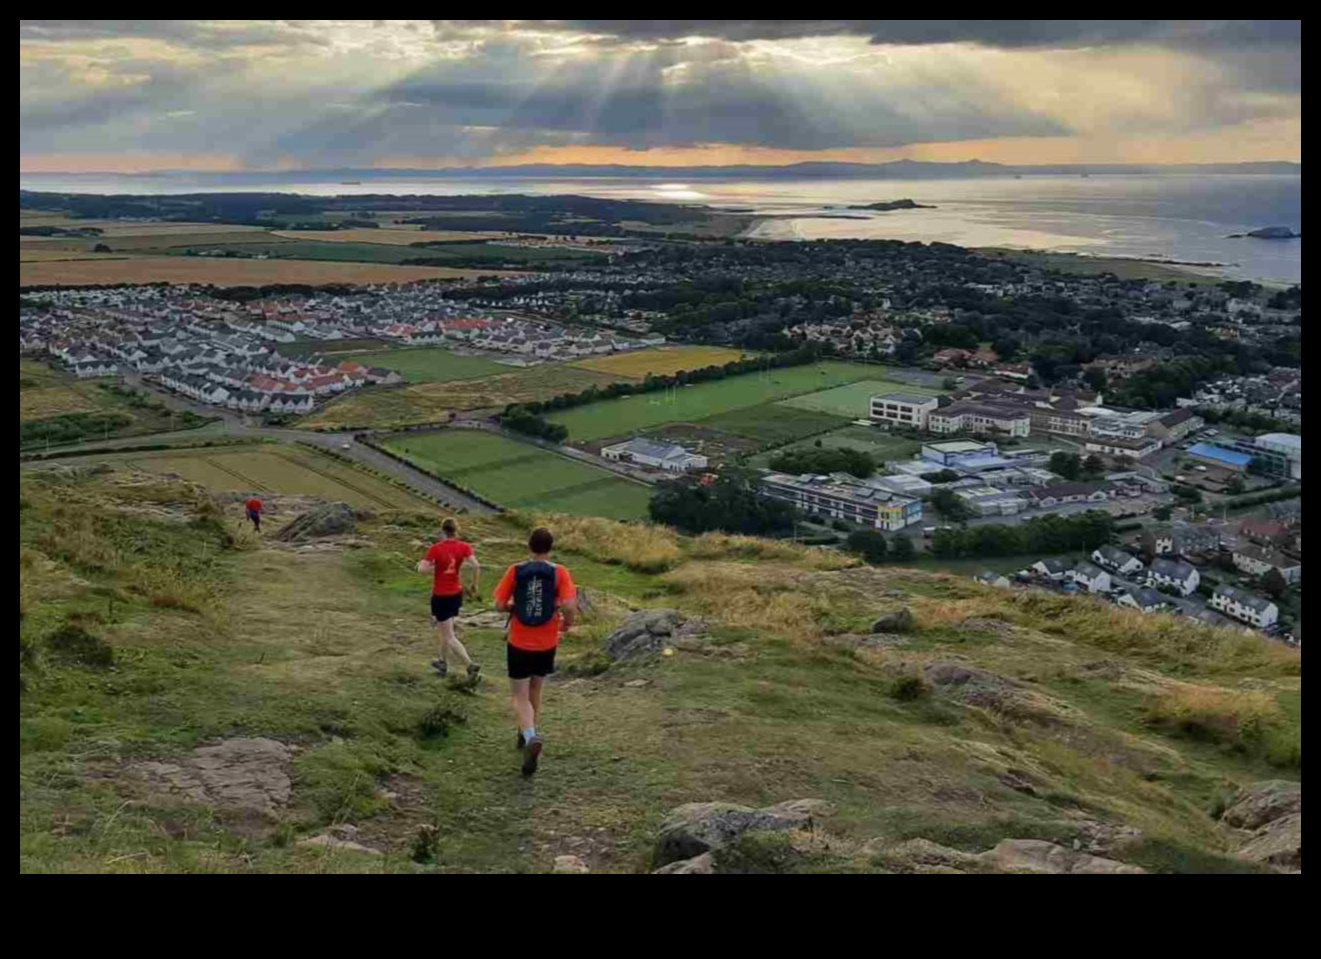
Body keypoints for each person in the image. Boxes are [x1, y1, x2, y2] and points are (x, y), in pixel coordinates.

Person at [493, 527, 577, 777]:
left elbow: (498, 605)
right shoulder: (560, 572)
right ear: (551, 548)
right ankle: (528, 731)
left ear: (529, 547)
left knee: (519, 695)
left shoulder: (516, 570)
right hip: (547, 642)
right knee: (535, 689)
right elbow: (570, 605)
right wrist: (566, 624)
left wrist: (513, 606)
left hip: (519, 641)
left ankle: (529, 734)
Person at [417, 518, 483, 682]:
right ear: (456, 530)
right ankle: (442, 662)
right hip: (456, 593)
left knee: (449, 635)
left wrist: (434, 566)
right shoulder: (464, 547)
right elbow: (476, 566)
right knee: (444, 630)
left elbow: (422, 569)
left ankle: (470, 665)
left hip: (441, 595)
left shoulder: (436, 549)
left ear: (442, 531)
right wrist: (474, 585)